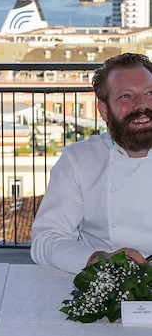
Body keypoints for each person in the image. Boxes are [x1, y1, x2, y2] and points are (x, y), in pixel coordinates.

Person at [31, 52, 152, 273]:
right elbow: (46, 240)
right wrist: (96, 259)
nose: (141, 106)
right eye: (126, 96)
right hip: (102, 286)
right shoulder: (79, 159)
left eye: (149, 93)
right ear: (104, 110)